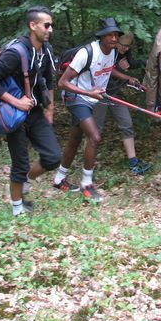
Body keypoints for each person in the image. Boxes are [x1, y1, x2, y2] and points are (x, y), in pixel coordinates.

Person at [0, 5, 60, 216]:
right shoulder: (15, 53)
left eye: (51, 25)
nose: (50, 29)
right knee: (20, 162)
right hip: (13, 113)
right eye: (46, 25)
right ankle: (17, 207)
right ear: (32, 25)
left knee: (53, 157)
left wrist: (50, 110)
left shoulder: (46, 50)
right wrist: (16, 103)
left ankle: (24, 181)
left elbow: (49, 81)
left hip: (34, 112)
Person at [54, 18, 124, 202]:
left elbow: (107, 71)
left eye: (116, 34)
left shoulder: (113, 53)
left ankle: (59, 178)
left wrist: (127, 79)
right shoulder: (86, 53)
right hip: (76, 98)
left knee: (75, 139)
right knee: (94, 137)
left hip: (90, 99)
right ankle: (87, 184)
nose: (114, 38)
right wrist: (89, 93)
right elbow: (62, 83)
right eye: (110, 34)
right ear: (101, 36)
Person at [93, 32, 153, 175]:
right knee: (95, 130)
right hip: (99, 94)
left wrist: (146, 62)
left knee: (126, 124)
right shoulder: (106, 52)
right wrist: (127, 77)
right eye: (123, 46)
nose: (126, 49)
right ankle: (89, 166)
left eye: (128, 46)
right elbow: (110, 70)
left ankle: (133, 162)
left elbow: (130, 64)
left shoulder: (123, 53)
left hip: (114, 93)